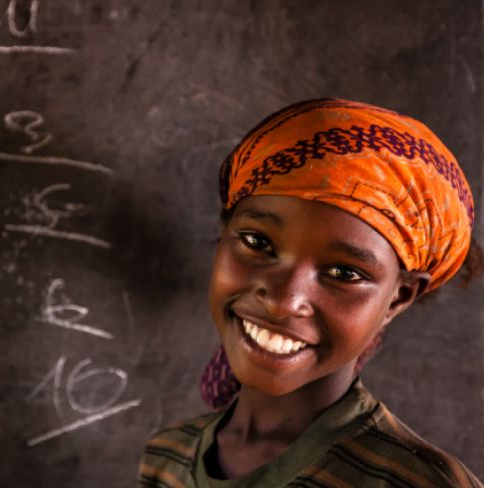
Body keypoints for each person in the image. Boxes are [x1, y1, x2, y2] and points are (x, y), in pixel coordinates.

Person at [137, 98, 483, 487]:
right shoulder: (166, 458)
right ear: (223, 234)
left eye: (343, 272)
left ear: (399, 298)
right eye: (257, 241)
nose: (284, 301)